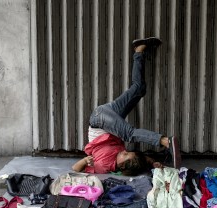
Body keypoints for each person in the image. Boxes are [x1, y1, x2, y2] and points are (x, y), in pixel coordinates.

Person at [72, 37, 181, 176]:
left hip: (99, 120)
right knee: (139, 88)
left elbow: (75, 169)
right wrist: (153, 163)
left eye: (125, 155)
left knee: (129, 134)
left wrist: (84, 161)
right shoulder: (125, 162)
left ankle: (164, 141)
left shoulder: (103, 165)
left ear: (122, 164)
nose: (125, 151)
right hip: (110, 117)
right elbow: (140, 159)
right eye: (128, 153)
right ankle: (139, 50)